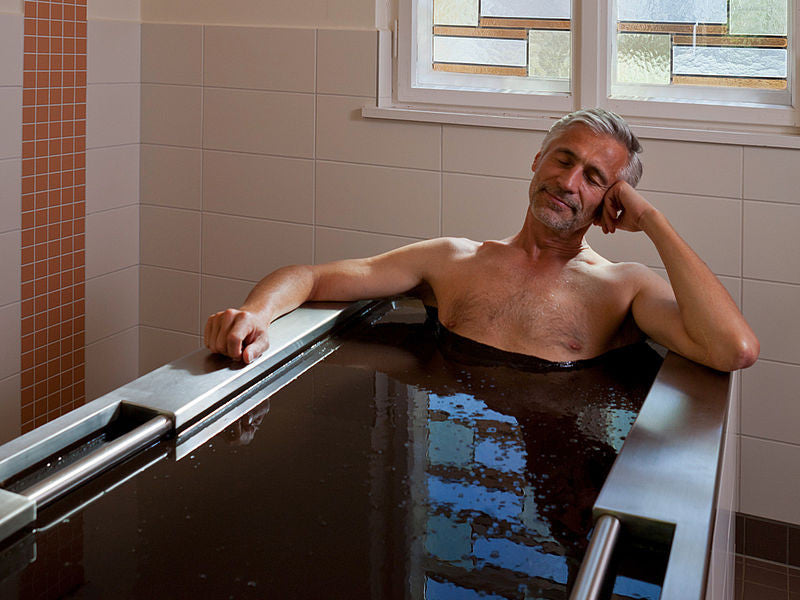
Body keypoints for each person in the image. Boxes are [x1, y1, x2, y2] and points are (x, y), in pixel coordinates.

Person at [204, 108, 759, 372]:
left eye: (594, 178)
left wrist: (653, 221)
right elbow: (310, 277)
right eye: (563, 159)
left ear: (611, 203)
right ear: (537, 161)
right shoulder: (453, 260)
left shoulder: (623, 289)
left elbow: (733, 349)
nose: (568, 181)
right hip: (453, 460)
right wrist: (255, 313)